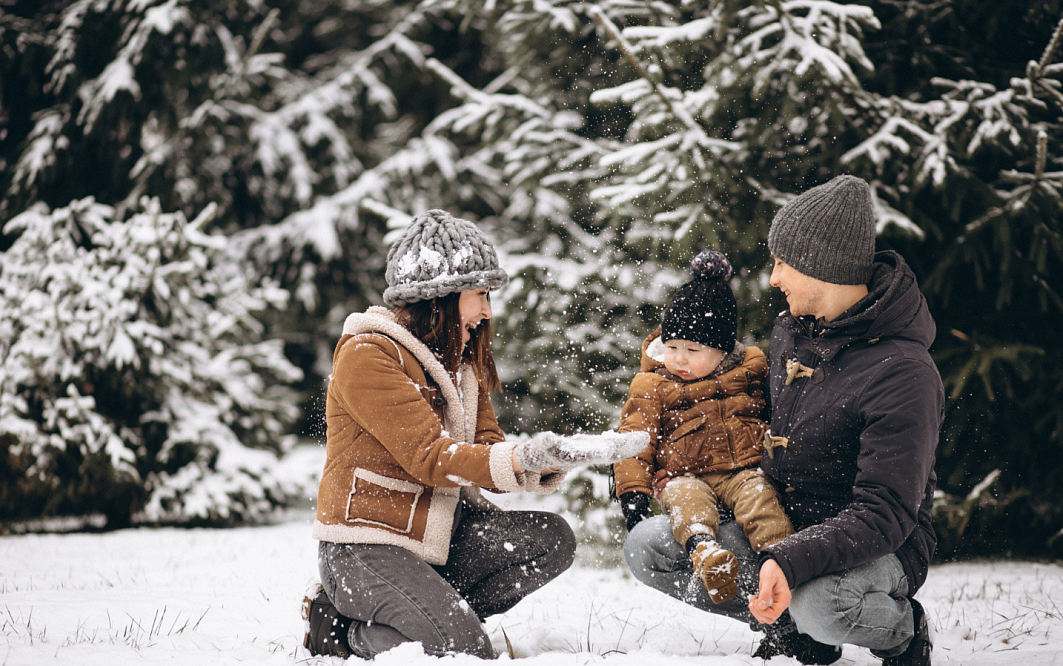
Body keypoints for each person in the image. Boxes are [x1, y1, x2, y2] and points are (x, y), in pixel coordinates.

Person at [622, 175, 942, 666]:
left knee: (823, 605)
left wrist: (787, 560)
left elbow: (887, 511)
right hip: (784, 527)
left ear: (821, 267)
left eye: (782, 264)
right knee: (650, 546)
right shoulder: (790, 333)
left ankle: (901, 630)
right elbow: (745, 423)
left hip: (875, 546)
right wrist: (694, 470)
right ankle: (794, 627)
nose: (773, 279)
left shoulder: (903, 371)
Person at [303, 209, 647, 660]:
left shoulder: (459, 363)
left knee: (552, 539)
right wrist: (521, 458)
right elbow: (432, 457)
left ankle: (435, 611)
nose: (486, 310)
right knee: (464, 650)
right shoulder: (367, 355)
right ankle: (339, 630)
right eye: (480, 294)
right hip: (366, 548)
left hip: (438, 539)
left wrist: (550, 456)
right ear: (441, 294)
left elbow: (485, 450)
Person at [612, 249, 793, 606]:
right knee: (685, 501)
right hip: (686, 474)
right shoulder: (653, 385)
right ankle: (706, 552)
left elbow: (778, 412)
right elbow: (634, 436)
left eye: (693, 349)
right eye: (672, 346)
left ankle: (784, 563)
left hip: (743, 471)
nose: (679, 358)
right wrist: (632, 492)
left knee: (761, 501)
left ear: (723, 351)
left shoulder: (751, 371)